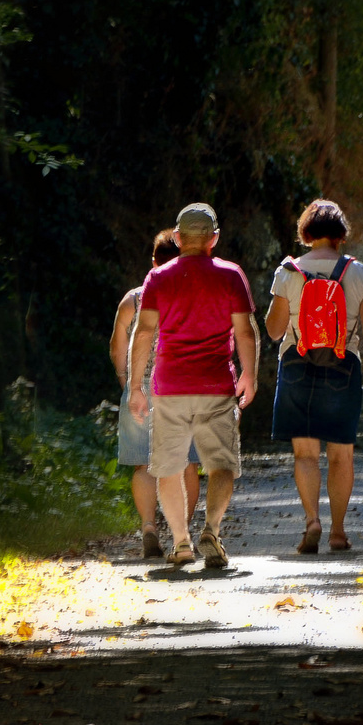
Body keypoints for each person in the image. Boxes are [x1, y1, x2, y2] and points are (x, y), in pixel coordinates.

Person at [128, 203, 258, 568]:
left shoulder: (158, 278)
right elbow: (245, 331)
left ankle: (182, 542)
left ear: (179, 238)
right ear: (213, 239)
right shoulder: (231, 275)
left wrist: (136, 385)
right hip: (216, 385)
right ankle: (212, 530)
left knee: (168, 466)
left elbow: (144, 333)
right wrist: (249, 374)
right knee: (221, 465)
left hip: (169, 387)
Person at [264, 199, 363, 553]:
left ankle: (312, 521)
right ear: (340, 235)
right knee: (342, 455)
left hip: (296, 363)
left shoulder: (287, 271)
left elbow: (275, 331)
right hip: (342, 365)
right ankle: (337, 531)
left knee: (305, 454)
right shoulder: (357, 272)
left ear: (305, 233)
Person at [109, 229, 201, 559]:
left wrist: (128, 384)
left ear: (153, 262)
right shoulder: (193, 297)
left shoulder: (132, 300)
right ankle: (182, 532)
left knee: (144, 465)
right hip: (181, 391)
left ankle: (149, 526)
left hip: (142, 391)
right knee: (188, 463)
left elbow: (118, 347)